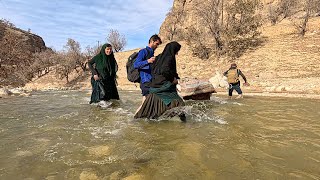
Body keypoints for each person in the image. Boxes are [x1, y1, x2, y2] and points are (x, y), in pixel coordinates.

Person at [134, 41, 185, 121]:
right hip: (164, 87)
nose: (177, 53)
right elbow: (165, 70)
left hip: (154, 85)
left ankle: (136, 120)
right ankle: (183, 123)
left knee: (146, 109)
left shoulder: (158, 57)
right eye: (176, 51)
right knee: (180, 104)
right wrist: (173, 80)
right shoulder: (169, 58)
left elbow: (154, 69)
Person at [134, 34, 162, 112]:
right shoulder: (143, 51)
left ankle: (140, 118)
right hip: (145, 80)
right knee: (146, 102)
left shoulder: (151, 53)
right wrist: (148, 61)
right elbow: (136, 64)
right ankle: (135, 118)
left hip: (150, 80)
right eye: (156, 44)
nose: (157, 46)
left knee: (146, 102)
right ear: (152, 42)